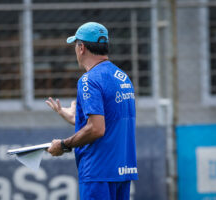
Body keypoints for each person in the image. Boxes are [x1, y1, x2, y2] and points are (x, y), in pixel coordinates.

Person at [46, 22, 138, 200]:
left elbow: (96, 129)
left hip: (98, 171)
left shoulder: (88, 80)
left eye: (75, 45)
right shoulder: (122, 76)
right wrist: (77, 119)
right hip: (122, 169)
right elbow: (109, 120)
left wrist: (63, 145)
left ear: (81, 48)